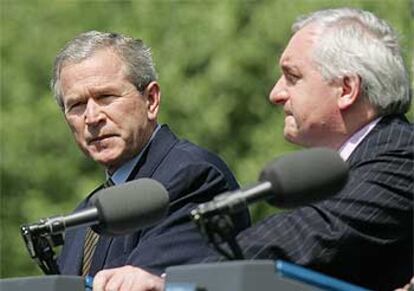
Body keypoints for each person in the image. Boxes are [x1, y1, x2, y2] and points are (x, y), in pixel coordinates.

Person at [89, 7, 413, 291]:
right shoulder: (355, 165)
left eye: (292, 76)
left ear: (346, 89)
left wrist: (175, 282)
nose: (276, 94)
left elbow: (309, 236)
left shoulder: (402, 156)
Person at [50, 31, 250, 278]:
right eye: (77, 105)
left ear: (151, 100)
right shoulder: (85, 216)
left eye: (106, 97)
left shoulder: (193, 177)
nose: (92, 117)